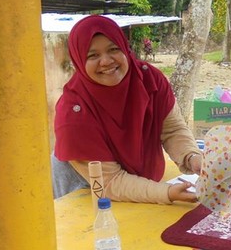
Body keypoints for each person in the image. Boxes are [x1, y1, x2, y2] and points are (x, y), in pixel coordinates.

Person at [51, 14, 201, 204]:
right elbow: (110, 181)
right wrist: (166, 193)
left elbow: (172, 130)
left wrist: (192, 157)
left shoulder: (149, 80)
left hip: (137, 185)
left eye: (113, 49)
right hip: (84, 189)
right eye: (93, 55)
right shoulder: (74, 111)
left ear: (125, 48)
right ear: (79, 61)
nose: (106, 61)